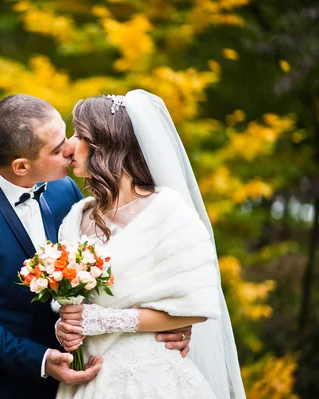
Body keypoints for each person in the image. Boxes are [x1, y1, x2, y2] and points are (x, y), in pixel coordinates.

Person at [0, 94, 192, 399]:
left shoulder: (66, 191)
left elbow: (113, 272)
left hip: (86, 382)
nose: (71, 149)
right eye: (56, 148)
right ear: (22, 166)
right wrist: (40, 359)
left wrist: (164, 327)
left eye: (67, 136)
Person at [54, 90, 246, 399]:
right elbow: (70, 303)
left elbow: (197, 307)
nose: (68, 145)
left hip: (151, 379)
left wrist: (103, 319)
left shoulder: (168, 211)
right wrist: (66, 327)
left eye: (79, 134)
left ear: (106, 143)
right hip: (89, 380)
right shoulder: (76, 217)